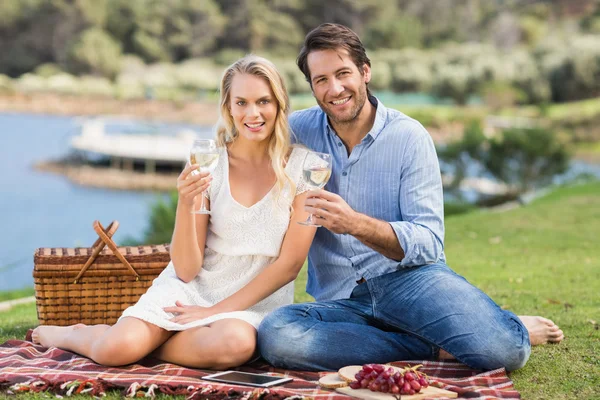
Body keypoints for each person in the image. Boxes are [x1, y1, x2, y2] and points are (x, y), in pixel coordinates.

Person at [257, 23, 564, 372]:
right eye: (321, 80)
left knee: (505, 351)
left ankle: (498, 326)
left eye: (343, 74)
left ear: (365, 71)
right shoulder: (299, 130)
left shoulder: (409, 137)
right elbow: (243, 155)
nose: (335, 89)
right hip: (342, 298)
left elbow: (430, 241)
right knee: (277, 335)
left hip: (412, 282)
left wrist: (355, 224)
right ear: (311, 86)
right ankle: (432, 346)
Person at [32, 55, 317, 369]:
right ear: (229, 107)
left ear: (279, 103)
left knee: (234, 345)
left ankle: (147, 346)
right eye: (242, 102)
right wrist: (186, 203)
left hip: (255, 299)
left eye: (264, 101)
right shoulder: (209, 163)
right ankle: (76, 335)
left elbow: (290, 265)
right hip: (194, 287)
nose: (253, 113)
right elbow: (185, 269)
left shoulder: (306, 168)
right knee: (115, 350)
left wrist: (214, 312)